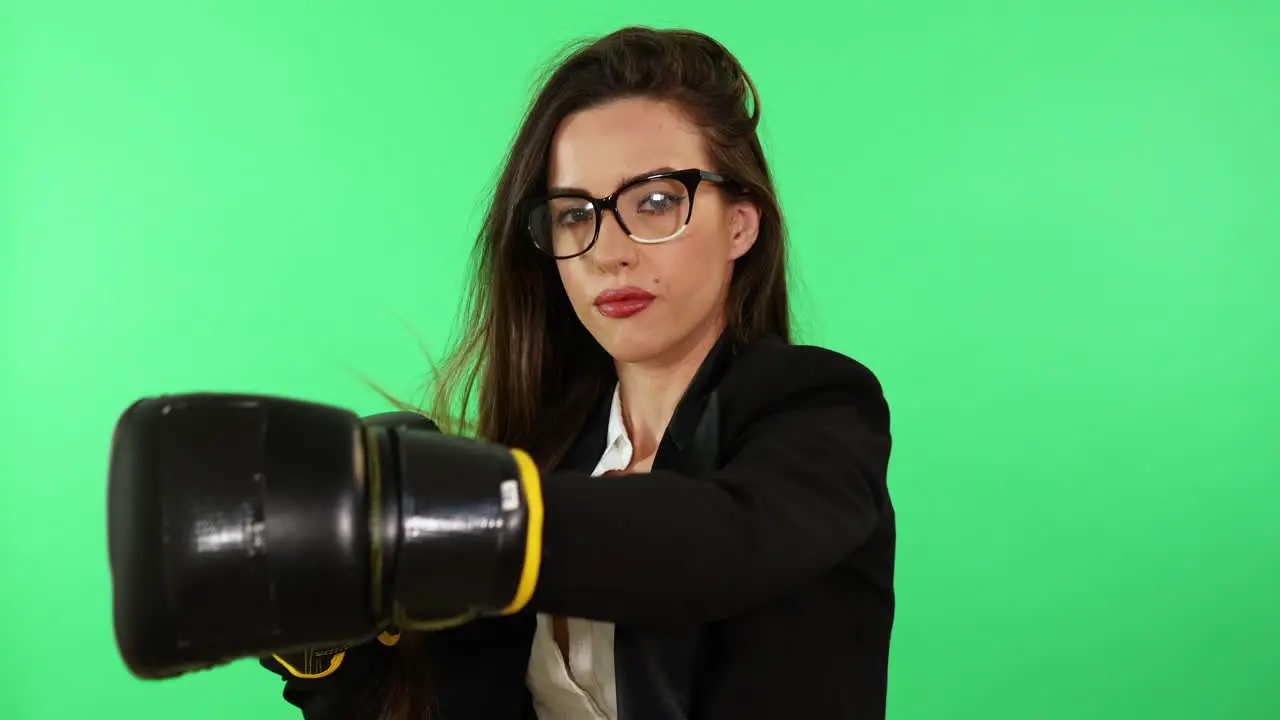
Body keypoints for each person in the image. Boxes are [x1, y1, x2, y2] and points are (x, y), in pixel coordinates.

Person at [260, 25, 895, 720]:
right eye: (574, 214)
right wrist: (327, 645)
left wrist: (453, 520)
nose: (608, 251)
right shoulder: (546, 457)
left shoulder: (818, 408)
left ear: (741, 225)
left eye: (655, 201)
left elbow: (718, 549)